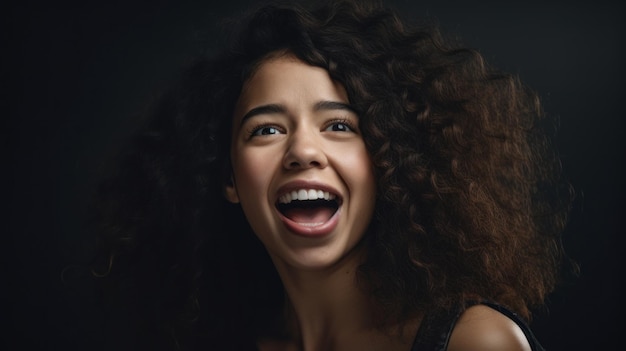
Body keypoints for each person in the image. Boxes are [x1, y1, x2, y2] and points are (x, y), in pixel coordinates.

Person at [88, 0, 572, 350]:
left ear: (387, 161)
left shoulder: (474, 342)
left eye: (339, 125)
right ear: (229, 180)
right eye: (267, 129)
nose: (302, 150)